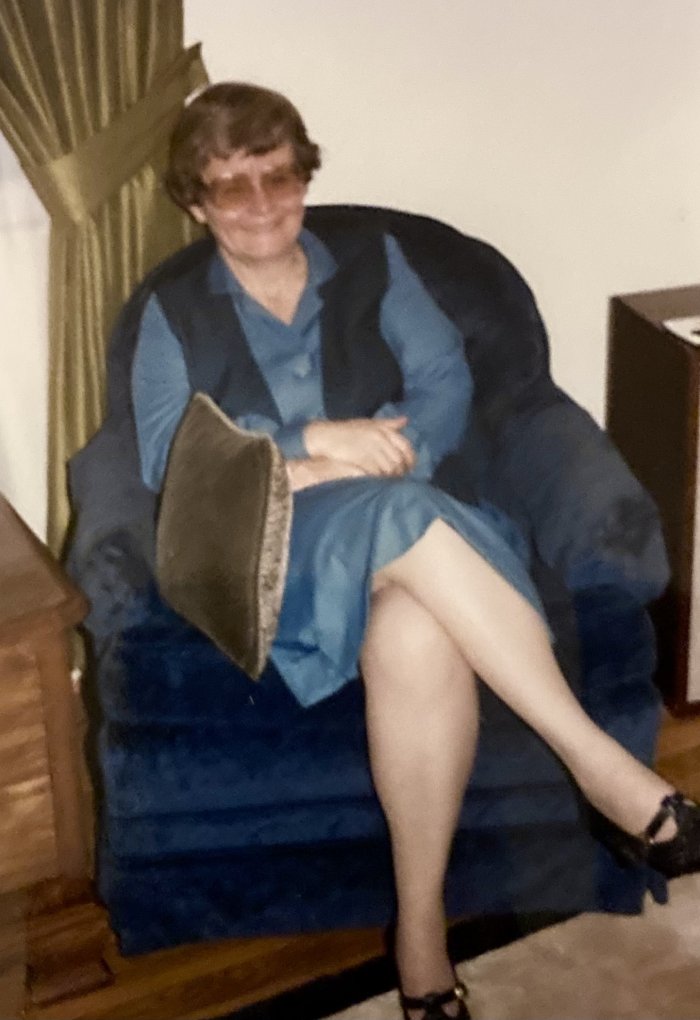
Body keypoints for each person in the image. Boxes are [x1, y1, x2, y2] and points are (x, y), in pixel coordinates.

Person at [127, 82, 700, 1020]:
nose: (263, 202)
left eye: (279, 176)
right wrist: (321, 442)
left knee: (415, 636)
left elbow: (443, 379)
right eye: (233, 187)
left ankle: (421, 935)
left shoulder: (374, 260)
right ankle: (600, 769)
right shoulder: (173, 310)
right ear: (196, 202)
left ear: (304, 177)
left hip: (420, 525)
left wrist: (386, 455)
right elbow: (168, 453)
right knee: (397, 518)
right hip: (276, 548)